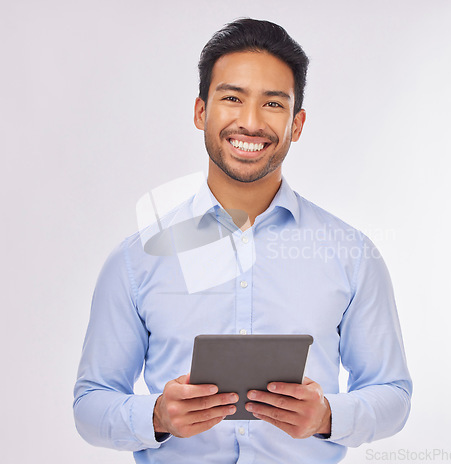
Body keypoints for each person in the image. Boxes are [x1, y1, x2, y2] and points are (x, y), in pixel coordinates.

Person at [73, 18, 412, 463]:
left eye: (273, 104)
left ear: (297, 123)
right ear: (201, 112)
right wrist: (155, 415)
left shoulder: (352, 254)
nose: (250, 123)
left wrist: (328, 415)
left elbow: (393, 394)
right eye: (232, 98)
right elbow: (90, 404)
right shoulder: (137, 259)